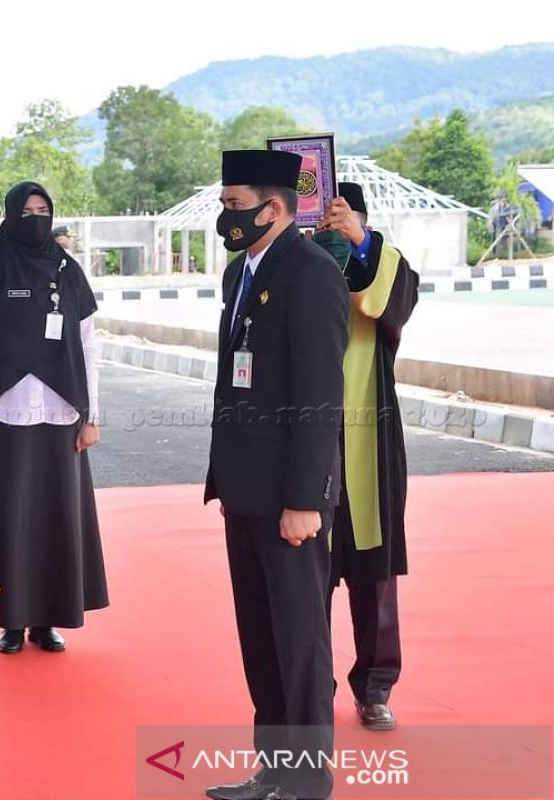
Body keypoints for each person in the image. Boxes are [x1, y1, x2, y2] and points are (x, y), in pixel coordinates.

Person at [203, 150, 349, 800]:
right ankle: (274, 771)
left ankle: (308, 782)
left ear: (276, 207)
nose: (225, 216)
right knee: (261, 641)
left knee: (301, 644)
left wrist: (304, 499)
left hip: (290, 498)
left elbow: (320, 395)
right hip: (244, 487)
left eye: (235, 204)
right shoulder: (243, 271)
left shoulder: (311, 273)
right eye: (224, 203)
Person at [0, 181, 108, 655]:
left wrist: (91, 414)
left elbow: (88, 347)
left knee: (55, 518)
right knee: (11, 517)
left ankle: (48, 620)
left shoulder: (68, 270)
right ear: (11, 215)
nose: (36, 218)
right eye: (27, 210)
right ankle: (12, 622)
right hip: (3, 414)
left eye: (44, 210)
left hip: (60, 414)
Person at [314, 182, 419, 732]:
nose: (335, 225)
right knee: (308, 575)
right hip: (308, 441)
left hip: (368, 440)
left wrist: (360, 241)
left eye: (345, 217)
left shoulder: (382, 262)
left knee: (374, 574)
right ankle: (312, 689)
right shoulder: (298, 264)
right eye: (327, 217)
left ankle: (375, 687)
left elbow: (385, 304)